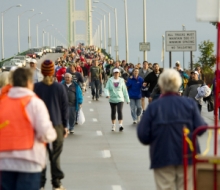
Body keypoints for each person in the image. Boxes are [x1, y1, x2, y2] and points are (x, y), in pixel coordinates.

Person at [137, 68, 207, 190]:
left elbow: (143, 135)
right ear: (178, 84)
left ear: (161, 85)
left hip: (162, 156)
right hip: (187, 156)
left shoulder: (154, 107)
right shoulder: (189, 104)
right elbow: (201, 128)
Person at [0, 68, 56, 190]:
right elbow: (45, 133)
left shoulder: (2, 102)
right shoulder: (34, 103)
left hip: (4, 163)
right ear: (29, 83)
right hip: (29, 162)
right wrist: (53, 134)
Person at [34, 60, 69, 190]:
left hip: (40, 126)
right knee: (56, 154)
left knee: (41, 154)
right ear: (53, 72)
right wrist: (65, 126)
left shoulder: (36, 87)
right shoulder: (59, 87)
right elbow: (65, 107)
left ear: (42, 72)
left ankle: (40, 183)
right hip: (57, 124)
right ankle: (56, 183)